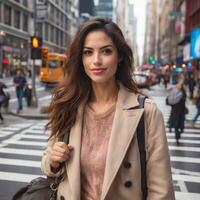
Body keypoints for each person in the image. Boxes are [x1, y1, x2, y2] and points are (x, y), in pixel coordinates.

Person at [41, 18, 175, 200]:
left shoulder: (146, 112)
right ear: (80, 59)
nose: (96, 60)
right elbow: (48, 161)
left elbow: (161, 190)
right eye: (88, 52)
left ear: (119, 56)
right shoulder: (68, 104)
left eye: (106, 51)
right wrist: (54, 159)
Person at [168, 76, 186, 144]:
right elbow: (168, 101)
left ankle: (178, 133)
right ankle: (177, 138)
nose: (179, 87)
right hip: (175, 112)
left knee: (181, 126)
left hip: (181, 112)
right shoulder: (173, 93)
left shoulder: (182, 93)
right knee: (176, 126)